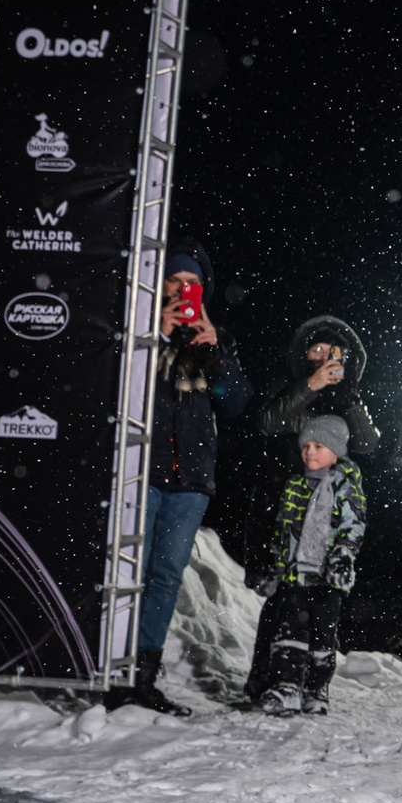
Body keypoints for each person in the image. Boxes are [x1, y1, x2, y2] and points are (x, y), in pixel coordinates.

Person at [112, 241, 252, 714]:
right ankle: (115, 670)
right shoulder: (137, 330)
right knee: (130, 573)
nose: (184, 290)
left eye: (192, 284)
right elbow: (121, 386)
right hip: (141, 473)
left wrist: (213, 351)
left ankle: (144, 677)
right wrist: (158, 333)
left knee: (166, 578)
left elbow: (234, 403)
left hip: (190, 482)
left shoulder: (215, 340)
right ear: (159, 284)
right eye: (176, 281)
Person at [243, 316, 381, 704]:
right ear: (303, 353)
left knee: (319, 606)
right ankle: (266, 683)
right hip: (281, 509)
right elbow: (268, 423)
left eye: (332, 353)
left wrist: (350, 397)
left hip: (324, 517)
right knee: (279, 601)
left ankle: (309, 686)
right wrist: (309, 388)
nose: (323, 358)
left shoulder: (349, 399)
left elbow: (368, 444)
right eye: (316, 350)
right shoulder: (288, 388)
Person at [255, 414, 366, 717]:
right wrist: (276, 563)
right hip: (296, 575)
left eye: (319, 446)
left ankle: (316, 689)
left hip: (329, 578)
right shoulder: (295, 483)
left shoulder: (347, 486)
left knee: (322, 636)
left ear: (336, 451)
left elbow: (353, 525)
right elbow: (283, 527)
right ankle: (287, 686)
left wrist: (344, 555)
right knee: (290, 629)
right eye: (306, 446)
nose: (310, 452)